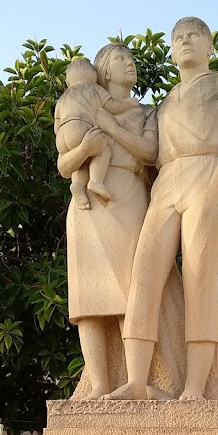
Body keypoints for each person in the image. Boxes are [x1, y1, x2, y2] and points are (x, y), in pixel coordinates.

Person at [108, 16, 218, 401]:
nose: (186, 41)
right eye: (178, 38)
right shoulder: (164, 103)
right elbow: (149, 153)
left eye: (194, 36)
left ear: (210, 46)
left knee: (200, 279)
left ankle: (194, 387)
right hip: (167, 181)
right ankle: (137, 379)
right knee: (143, 275)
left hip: (206, 170)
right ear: (171, 51)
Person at [57, 43, 158, 399]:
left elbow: (149, 153)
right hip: (86, 206)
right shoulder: (80, 108)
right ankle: (100, 382)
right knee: (88, 302)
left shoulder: (145, 112)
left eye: (131, 59)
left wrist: (108, 127)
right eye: (121, 59)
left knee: (131, 292)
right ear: (105, 69)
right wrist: (84, 149)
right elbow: (65, 164)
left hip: (127, 196)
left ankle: (136, 380)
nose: (129, 64)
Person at [54, 58, 137, 210]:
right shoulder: (93, 89)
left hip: (63, 134)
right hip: (82, 126)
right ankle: (96, 181)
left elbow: (57, 123)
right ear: (94, 78)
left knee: (82, 161)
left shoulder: (62, 98)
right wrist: (129, 103)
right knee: (101, 149)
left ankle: (78, 185)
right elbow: (112, 105)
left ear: (67, 82)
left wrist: (63, 135)